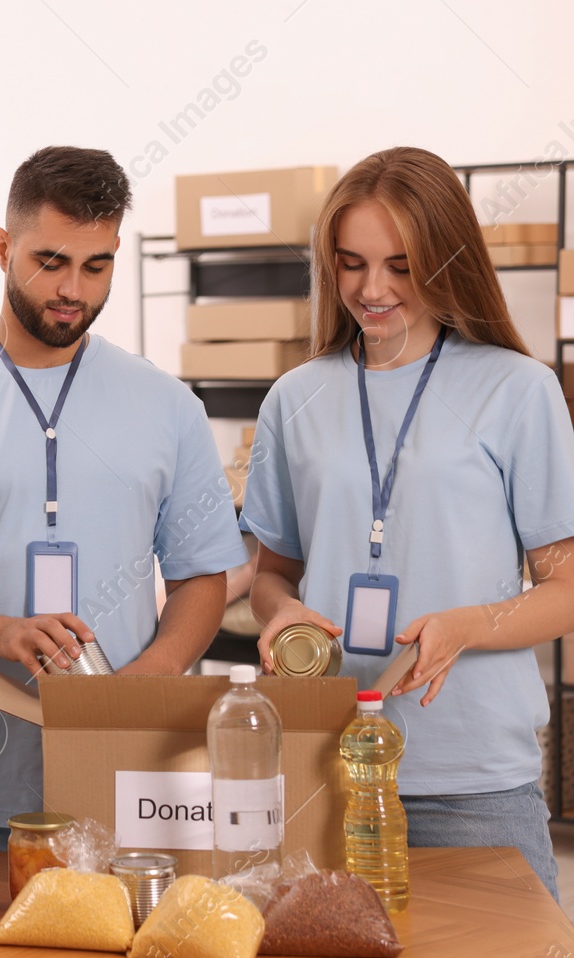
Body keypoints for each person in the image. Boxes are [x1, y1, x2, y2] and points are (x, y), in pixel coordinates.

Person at [0, 146, 248, 852]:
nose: (73, 288)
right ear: (3, 247)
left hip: (127, 785)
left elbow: (201, 577)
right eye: (51, 262)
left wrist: (147, 678)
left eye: (96, 266)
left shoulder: (167, 406)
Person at [245, 147, 574, 899]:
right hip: (324, 767)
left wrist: (468, 624)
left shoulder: (519, 391)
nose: (374, 288)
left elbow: (567, 588)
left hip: (473, 779)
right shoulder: (294, 397)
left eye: (401, 264)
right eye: (351, 263)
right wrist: (283, 612)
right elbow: (271, 573)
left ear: (447, 258)